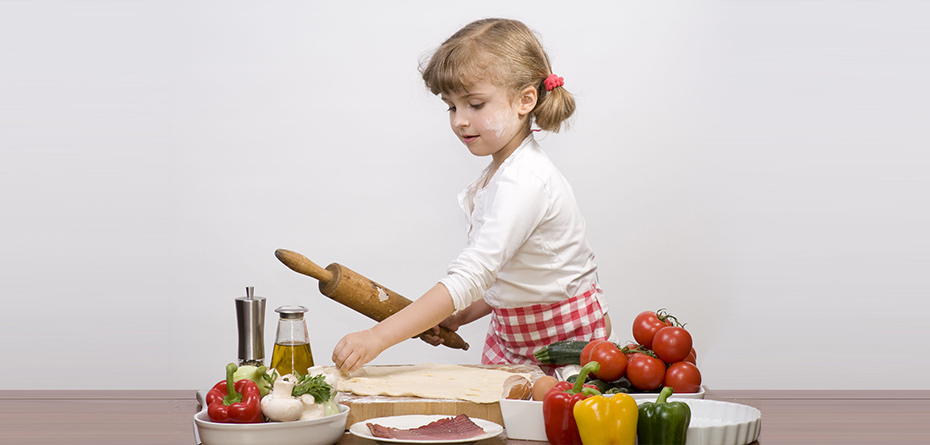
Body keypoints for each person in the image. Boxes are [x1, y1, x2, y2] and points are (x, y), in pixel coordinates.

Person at [332, 18, 613, 373]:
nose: (460, 121)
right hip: (513, 337)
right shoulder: (501, 173)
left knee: (550, 422)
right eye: (451, 106)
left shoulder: (525, 181)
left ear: (525, 100)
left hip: (565, 341)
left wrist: (378, 338)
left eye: (475, 104)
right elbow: (513, 275)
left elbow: (473, 274)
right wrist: (464, 313)